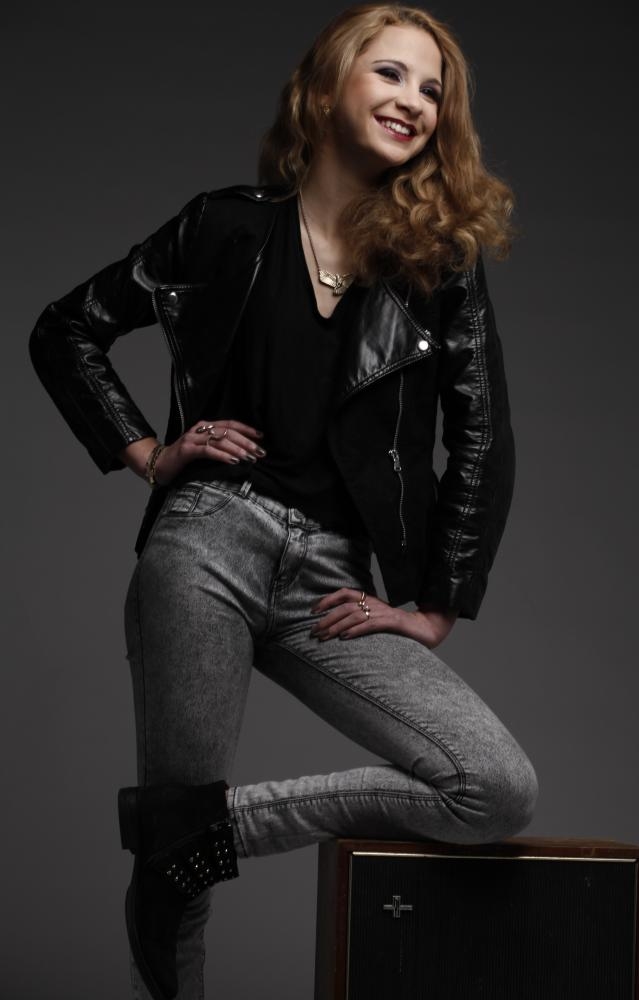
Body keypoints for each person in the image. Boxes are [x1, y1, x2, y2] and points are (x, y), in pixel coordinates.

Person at [29, 5, 539, 999]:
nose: (414, 101)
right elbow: (67, 330)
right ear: (326, 85)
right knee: (179, 898)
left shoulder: (436, 264)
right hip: (207, 543)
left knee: (492, 787)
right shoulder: (225, 226)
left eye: (433, 90)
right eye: (390, 74)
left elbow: (482, 434)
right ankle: (179, 852)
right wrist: (149, 453)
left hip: (335, 583)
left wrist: (437, 604)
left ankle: (196, 828)